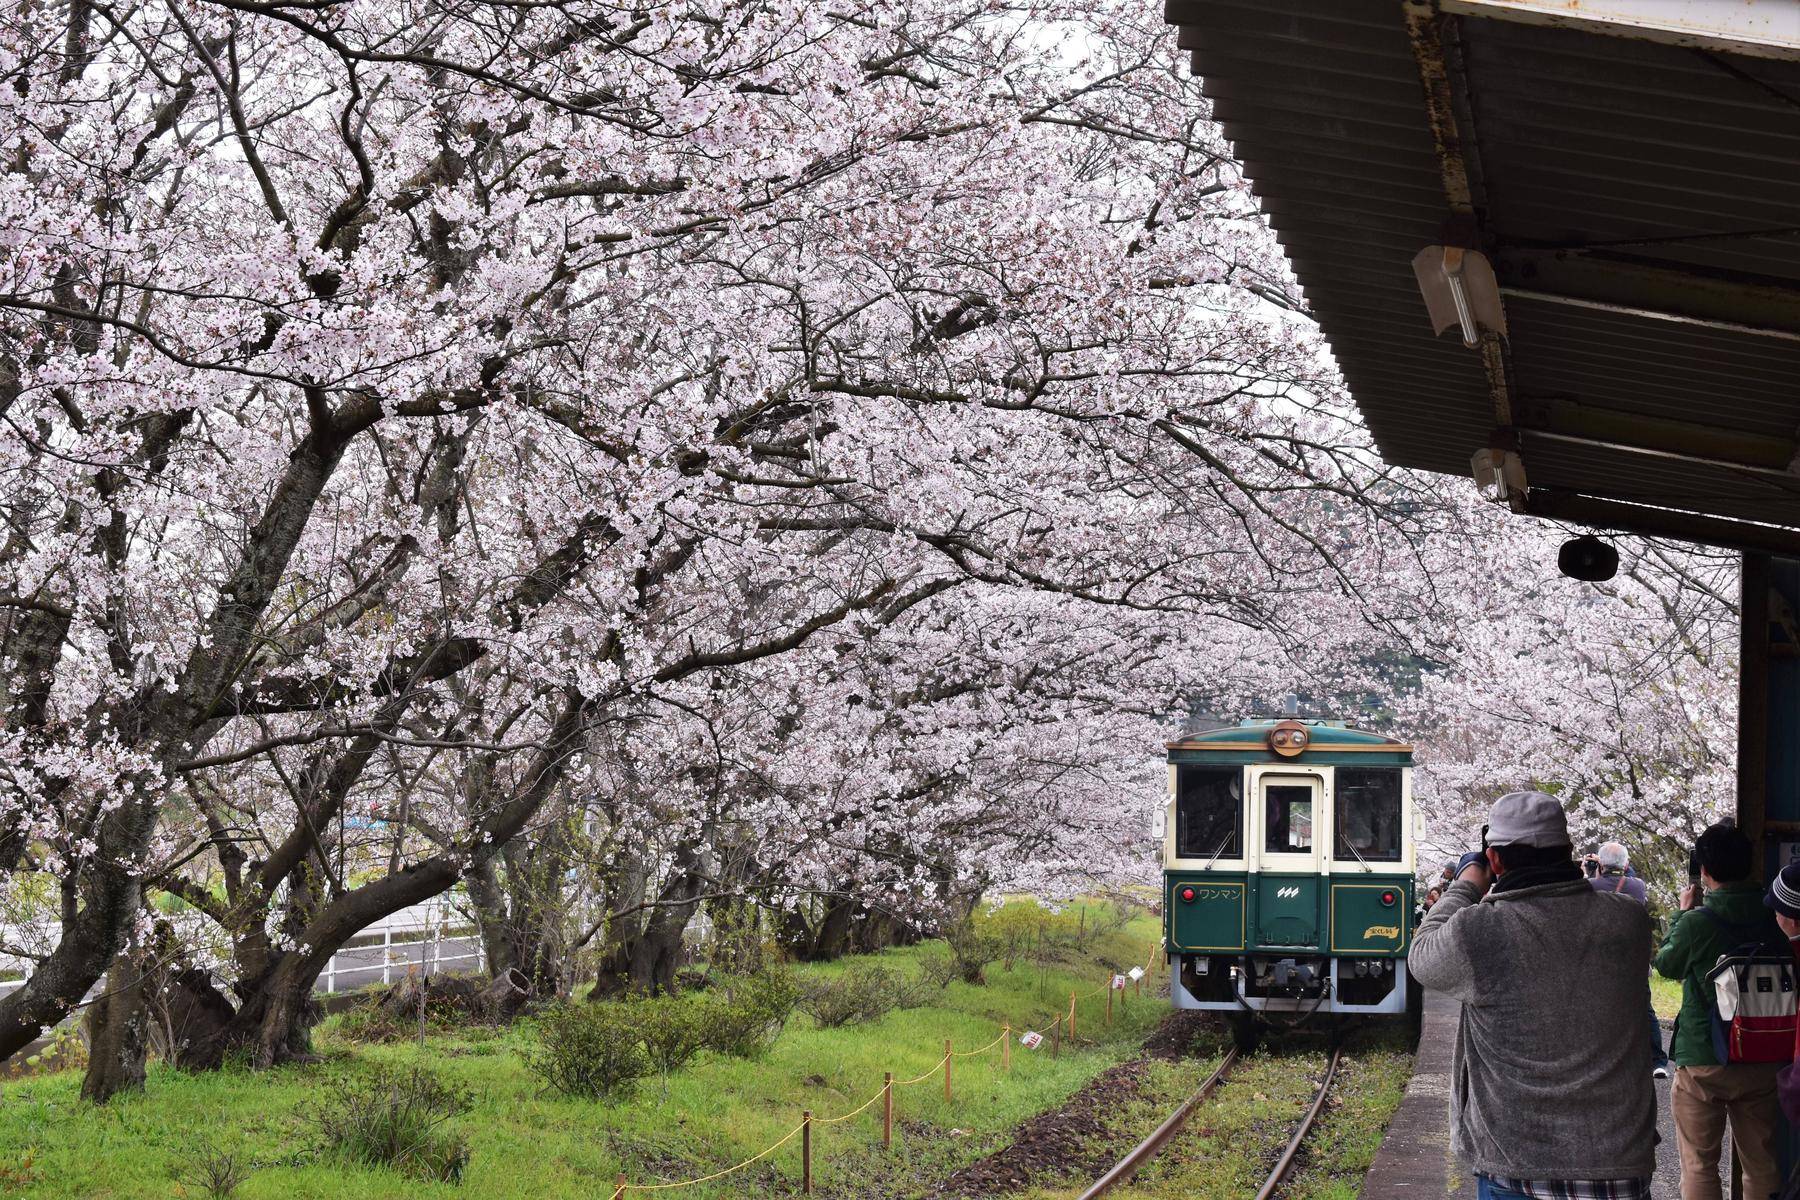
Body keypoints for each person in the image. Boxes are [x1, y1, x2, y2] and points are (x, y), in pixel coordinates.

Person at [1410, 791, 1655, 1199]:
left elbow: (1422, 957)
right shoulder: (1628, 921)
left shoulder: (1479, 931)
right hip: (1618, 1160)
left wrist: (1466, 885)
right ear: (1570, 852)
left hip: (1515, 1165)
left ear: (1496, 860)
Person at [1655, 823, 1782, 1200]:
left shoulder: (1697, 923)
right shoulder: (1774, 916)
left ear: (1705, 872)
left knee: (1698, 1164)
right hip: (1762, 1055)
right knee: (1761, 1163)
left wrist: (1682, 913)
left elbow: (1667, 966)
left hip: (1704, 1058)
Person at [1588, 841, 1668, 1078]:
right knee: (1645, 1008)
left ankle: (1605, 1059)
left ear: (1600, 864)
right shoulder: (1638, 886)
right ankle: (1658, 1061)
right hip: (1634, 961)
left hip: (1601, 962)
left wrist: (1590, 870)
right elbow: (1626, 876)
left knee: (1599, 1008)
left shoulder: (1588, 886)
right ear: (1626, 865)